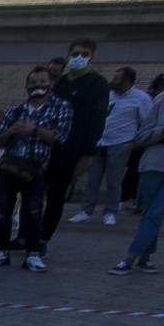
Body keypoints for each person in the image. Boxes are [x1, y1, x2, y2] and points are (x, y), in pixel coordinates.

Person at [0, 67, 73, 271]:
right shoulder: (15, 110)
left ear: (50, 84)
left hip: (35, 169)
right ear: (27, 86)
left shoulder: (60, 107)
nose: (38, 86)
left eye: (42, 82)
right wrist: (11, 130)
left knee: (33, 212)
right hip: (9, 166)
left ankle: (33, 254)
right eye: (33, 82)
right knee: (2, 212)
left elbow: (60, 137)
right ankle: (1, 251)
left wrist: (34, 129)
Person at [48, 39, 110, 240]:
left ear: (92, 56)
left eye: (84, 54)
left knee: (56, 196)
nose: (79, 58)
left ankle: (42, 238)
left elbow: (97, 119)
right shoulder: (62, 83)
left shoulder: (97, 84)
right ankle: (25, 235)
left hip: (74, 149)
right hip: (50, 145)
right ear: (68, 55)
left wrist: (87, 154)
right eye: (75, 54)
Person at [77, 68, 148, 227]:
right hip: (100, 142)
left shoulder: (140, 98)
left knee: (113, 181)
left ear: (128, 81)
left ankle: (110, 212)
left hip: (121, 143)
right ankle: (85, 211)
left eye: (117, 79)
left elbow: (146, 122)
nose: (113, 81)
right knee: (92, 179)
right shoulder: (107, 94)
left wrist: (136, 141)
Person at [110, 83, 164, 276]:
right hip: (153, 165)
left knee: (155, 213)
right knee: (150, 214)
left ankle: (129, 258)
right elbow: (142, 135)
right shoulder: (160, 100)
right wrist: (161, 132)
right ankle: (145, 259)